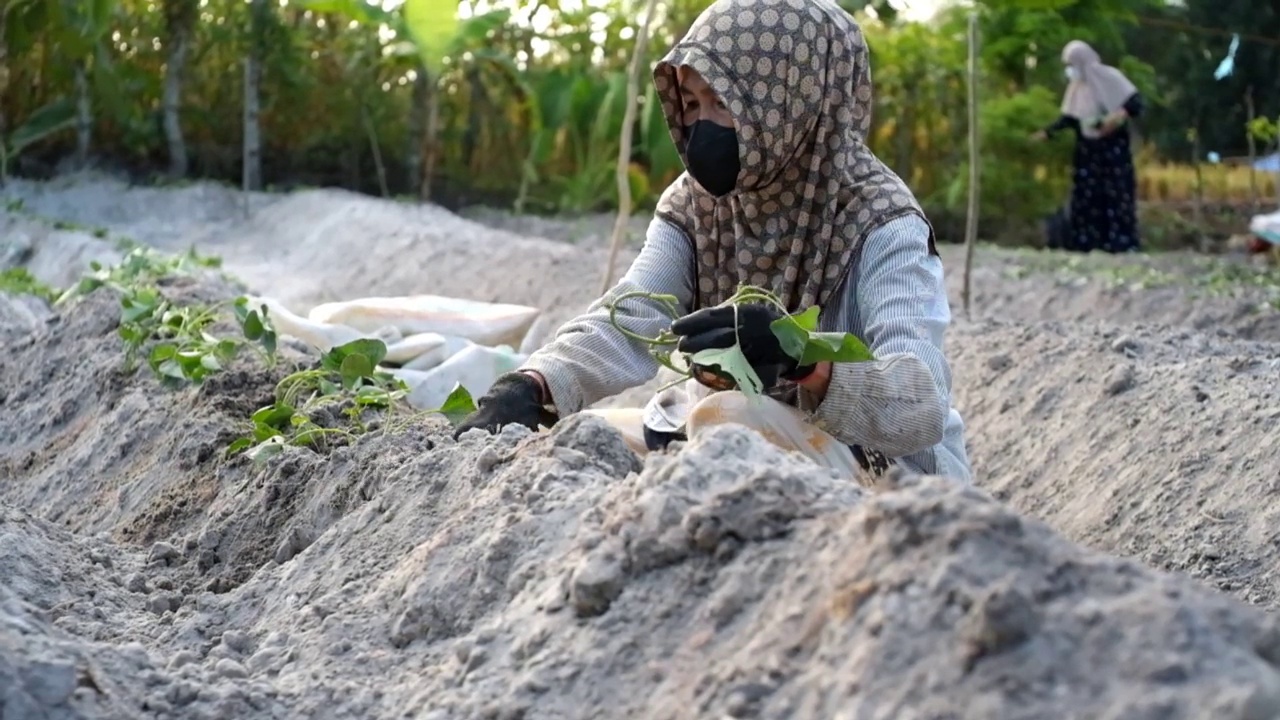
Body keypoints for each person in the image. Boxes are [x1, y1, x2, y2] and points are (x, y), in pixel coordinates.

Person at [454, 0, 972, 484]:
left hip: (891, 475)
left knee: (730, 416)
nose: (702, 128)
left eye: (724, 103)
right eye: (693, 103)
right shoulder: (696, 204)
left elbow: (919, 403)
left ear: (792, 102)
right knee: (581, 442)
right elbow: (631, 315)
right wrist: (535, 383)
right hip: (741, 438)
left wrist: (800, 357)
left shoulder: (881, 219)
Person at [1033, 39, 1145, 254]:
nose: (1070, 71)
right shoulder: (1076, 89)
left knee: (1116, 196)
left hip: (1113, 152)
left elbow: (1135, 103)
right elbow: (1069, 118)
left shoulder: (1110, 78)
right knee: (1087, 198)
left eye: (1072, 64)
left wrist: (1117, 117)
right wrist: (1047, 132)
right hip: (1088, 153)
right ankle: (1088, 243)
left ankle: (1120, 243)